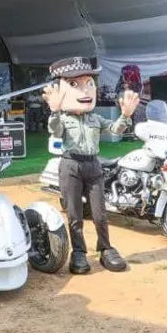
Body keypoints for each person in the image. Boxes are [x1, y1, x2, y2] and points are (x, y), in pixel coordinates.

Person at [43, 56, 140, 274]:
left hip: (93, 166)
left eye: (89, 84)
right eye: (75, 85)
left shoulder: (95, 118)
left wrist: (125, 116)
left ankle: (106, 249)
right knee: (75, 214)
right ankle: (78, 253)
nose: (85, 91)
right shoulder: (63, 118)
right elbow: (56, 131)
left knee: (100, 213)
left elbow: (115, 130)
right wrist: (55, 111)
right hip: (70, 165)